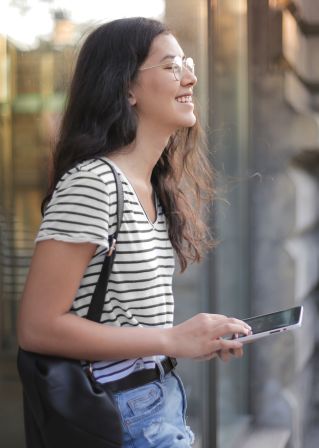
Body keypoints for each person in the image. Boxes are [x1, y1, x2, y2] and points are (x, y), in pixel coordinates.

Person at [17, 17, 251, 447]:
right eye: (171, 66)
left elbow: (124, 324)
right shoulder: (94, 183)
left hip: (157, 404)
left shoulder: (152, 186)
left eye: (188, 63)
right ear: (126, 89)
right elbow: (36, 325)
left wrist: (193, 339)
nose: (191, 77)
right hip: (116, 415)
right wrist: (172, 338)